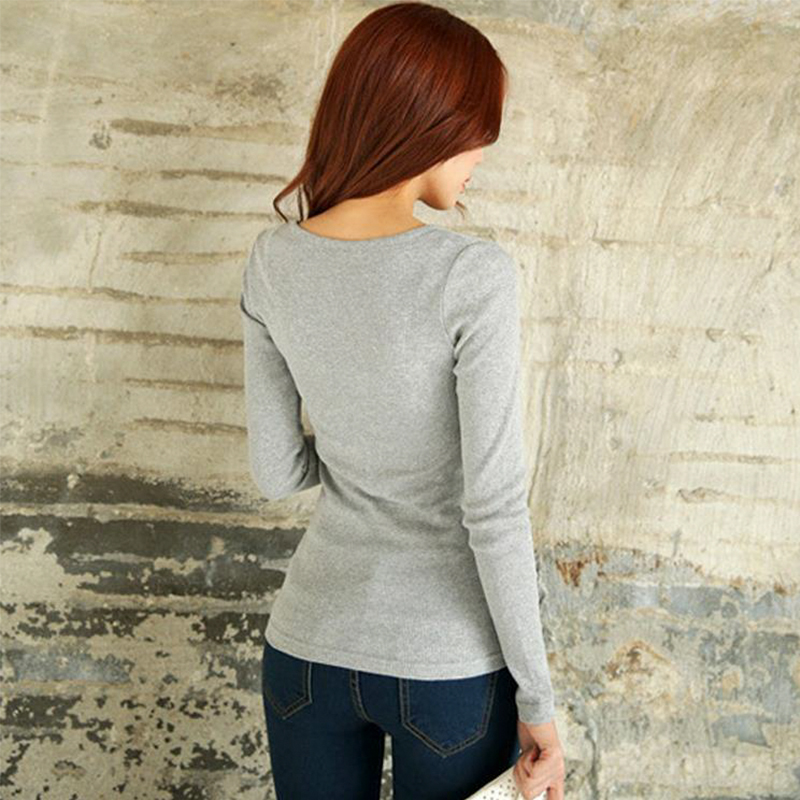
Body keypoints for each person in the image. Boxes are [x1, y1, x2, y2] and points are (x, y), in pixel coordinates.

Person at [239, 2, 566, 798]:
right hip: (445, 666)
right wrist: (539, 701)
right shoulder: (470, 275)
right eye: (479, 130)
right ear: (429, 123)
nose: (482, 153)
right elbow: (493, 507)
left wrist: (358, 443)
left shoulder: (272, 261)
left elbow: (276, 472)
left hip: (306, 649)